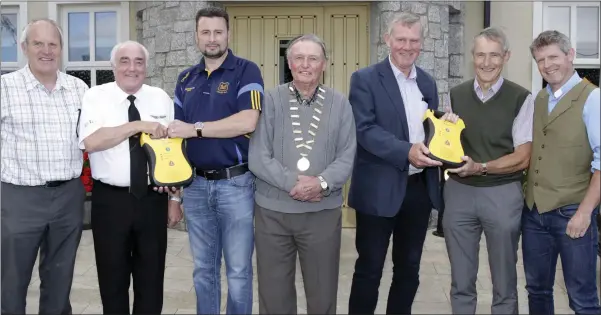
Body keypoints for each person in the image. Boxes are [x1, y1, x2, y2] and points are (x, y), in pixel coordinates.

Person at [347, 11, 451, 314]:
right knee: (369, 269)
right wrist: (406, 151)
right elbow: (364, 130)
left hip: (418, 188)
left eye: (414, 40)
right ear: (387, 40)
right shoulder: (364, 79)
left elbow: (428, 128)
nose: (408, 46)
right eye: (401, 39)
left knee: (409, 269)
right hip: (378, 188)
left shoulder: (428, 83)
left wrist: (447, 127)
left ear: (422, 43)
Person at [248, 34, 356, 314]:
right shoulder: (269, 100)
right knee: (274, 295)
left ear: (325, 64)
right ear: (289, 63)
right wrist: (293, 183)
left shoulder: (340, 103)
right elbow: (258, 156)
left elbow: (347, 155)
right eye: (299, 58)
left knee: (322, 294)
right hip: (273, 213)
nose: (305, 65)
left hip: (321, 212)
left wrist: (320, 183)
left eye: (313, 58)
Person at [165, 7, 263, 315]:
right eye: (205, 32)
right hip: (194, 187)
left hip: (236, 185)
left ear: (228, 34)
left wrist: (197, 128)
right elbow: (176, 140)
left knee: (238, 272)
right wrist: (176, 194)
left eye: (218, 32)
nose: (212, 38)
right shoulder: (186, 78)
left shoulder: (246, 71)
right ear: (196, 36)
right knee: (203, 273)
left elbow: (248, 121)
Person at [77, 40, 181, 314]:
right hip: (111, 201)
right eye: (124, 61)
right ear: (113, 66)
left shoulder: (160, 97)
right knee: (112, 281)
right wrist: (138, 125)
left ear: (146, 66)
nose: (132, 68)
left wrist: (174, 199)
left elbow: (173, 151)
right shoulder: (95, 97)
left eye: (139, 62)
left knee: (152, 280)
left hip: (152, 200)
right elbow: (91, 141)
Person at [440, 26, 534, 315]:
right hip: (459, 194)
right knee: (461, 280)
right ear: (472, 57)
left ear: (506, 56)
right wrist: (445, 131)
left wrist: (481, 167)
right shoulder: (454, 96)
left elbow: (522, 157)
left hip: (502, 193)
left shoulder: (521, 98)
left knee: (505, 282)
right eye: (480, 55)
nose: (487, 62)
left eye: (494, 55)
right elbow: (444, 148)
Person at [0, 18, 89, 315]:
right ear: (25, 47)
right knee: (12, 281)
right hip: (19, 198)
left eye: (53, 44)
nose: (46, 50)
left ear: (61, 49)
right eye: (38, 43)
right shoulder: (5, 88)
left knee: (60, 279)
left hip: (68, 197)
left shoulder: (79, 89)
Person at [523, 30, 600, 315]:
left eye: (553, 56)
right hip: (534, 214)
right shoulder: (540, 99)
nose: (547, 65)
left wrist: (585, 212)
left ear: (570, 55)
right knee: (537, 292)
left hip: (572, 212)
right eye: (540, 59)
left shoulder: (593, 99)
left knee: (582, 299)